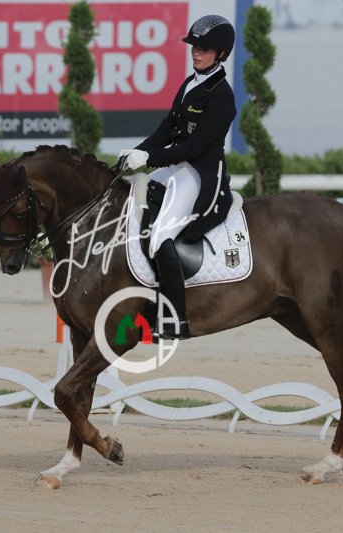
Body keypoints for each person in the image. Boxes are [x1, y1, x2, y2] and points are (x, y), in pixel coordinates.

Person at [119, 15, 237, 341]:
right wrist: (137, 153)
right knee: (135, 201)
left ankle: (174, 319)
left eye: (204, 49)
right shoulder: (190, 83)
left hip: (200, 172)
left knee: (160, 237)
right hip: (178, 166)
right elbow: (167, 129)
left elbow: (194, 147)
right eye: (194, 47)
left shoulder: (222, 96)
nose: (196, 53)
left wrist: (150, 159)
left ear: (221, 54)